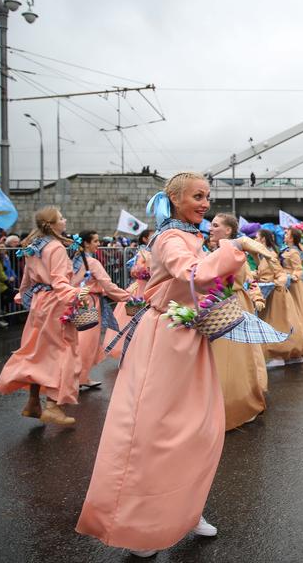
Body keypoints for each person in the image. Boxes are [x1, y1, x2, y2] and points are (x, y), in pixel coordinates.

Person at [77, 172, 284, 557]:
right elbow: (191, 274)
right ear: (174, 199)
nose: (205, 203)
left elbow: (202, 282)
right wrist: (234, 245)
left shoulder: (190, 235)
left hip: (189, 336)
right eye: (197, 196)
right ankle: (140, 525)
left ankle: (187, 510)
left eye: (208, 196)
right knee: (156, 433)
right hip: (165, 339)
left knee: (198, 429)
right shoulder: (170, 238)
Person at [0, 207, 89, 426]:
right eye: (61, 217)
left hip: (40, 302)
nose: (65, 220)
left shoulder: (34, 246)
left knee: (39, 351)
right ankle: (53, 406)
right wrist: (77, 294)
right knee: (61, 351)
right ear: (53, 224)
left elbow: (27, 279)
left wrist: (22, 295)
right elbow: (59, 282)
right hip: (55, 302)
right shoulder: (55, 247)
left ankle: (33, 402)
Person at [208, 213, 269, 428]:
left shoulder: (234, 253)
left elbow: (250, 281)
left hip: (233, 307)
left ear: (228, 231)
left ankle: (236, 403)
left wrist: (257, 298)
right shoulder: (212, 252)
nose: (210, 228)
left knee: (235, 358)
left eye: (215, 225)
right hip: (214, 306)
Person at [71, 230, 131, 390]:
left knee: (76, 340)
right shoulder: (92, 262)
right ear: (86, 243)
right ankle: (79, 378)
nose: (99, 244)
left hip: (75, 301)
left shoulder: (74, 260)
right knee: (87, 341)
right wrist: (127, 296)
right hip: (89, 302)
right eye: (96, 241)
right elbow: (107, 284)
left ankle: (77, 376)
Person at [253, 228, 303, 367]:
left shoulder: (272, 254)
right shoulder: (265, 254)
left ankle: (280, 355)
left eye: (256, 237)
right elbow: (263, 272)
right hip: (274, 292)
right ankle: (292, 355)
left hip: (277, 293)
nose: (254, 239)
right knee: (285, 324)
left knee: (279, 325)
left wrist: (281, 281)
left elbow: (281, 273)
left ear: (263, 239)